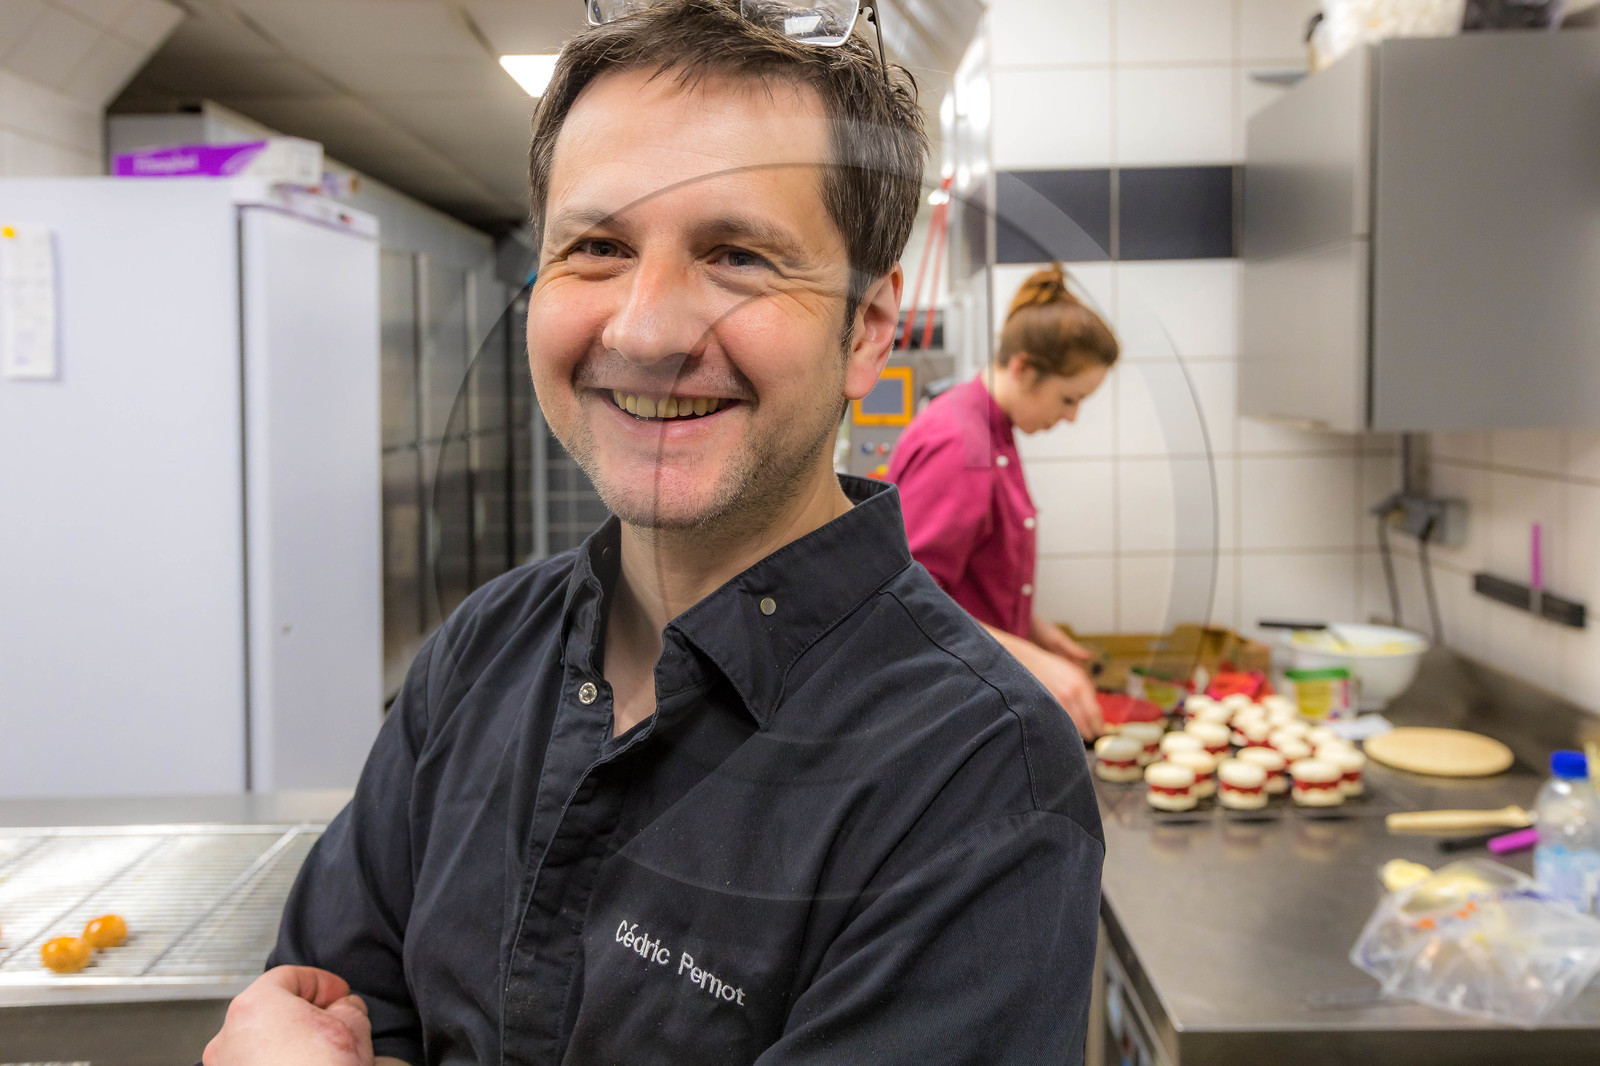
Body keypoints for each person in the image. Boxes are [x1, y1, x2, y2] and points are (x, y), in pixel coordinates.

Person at [202, 2, 1103, 1064]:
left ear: (867, 329)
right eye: (596, 246)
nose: (644, 329)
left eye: (736, 256)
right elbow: (336, 998)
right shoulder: (483, 649)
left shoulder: (977, 779)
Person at [887, 264, 1120, 741]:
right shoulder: (960, 446)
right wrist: (1035, 663)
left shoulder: (991, 428)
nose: (1071, 417)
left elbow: (969, 570)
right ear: (1023, 369)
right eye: (1069, 398)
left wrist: (1031, 628)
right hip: (945, 711)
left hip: (976, 691)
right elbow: (905, 603)